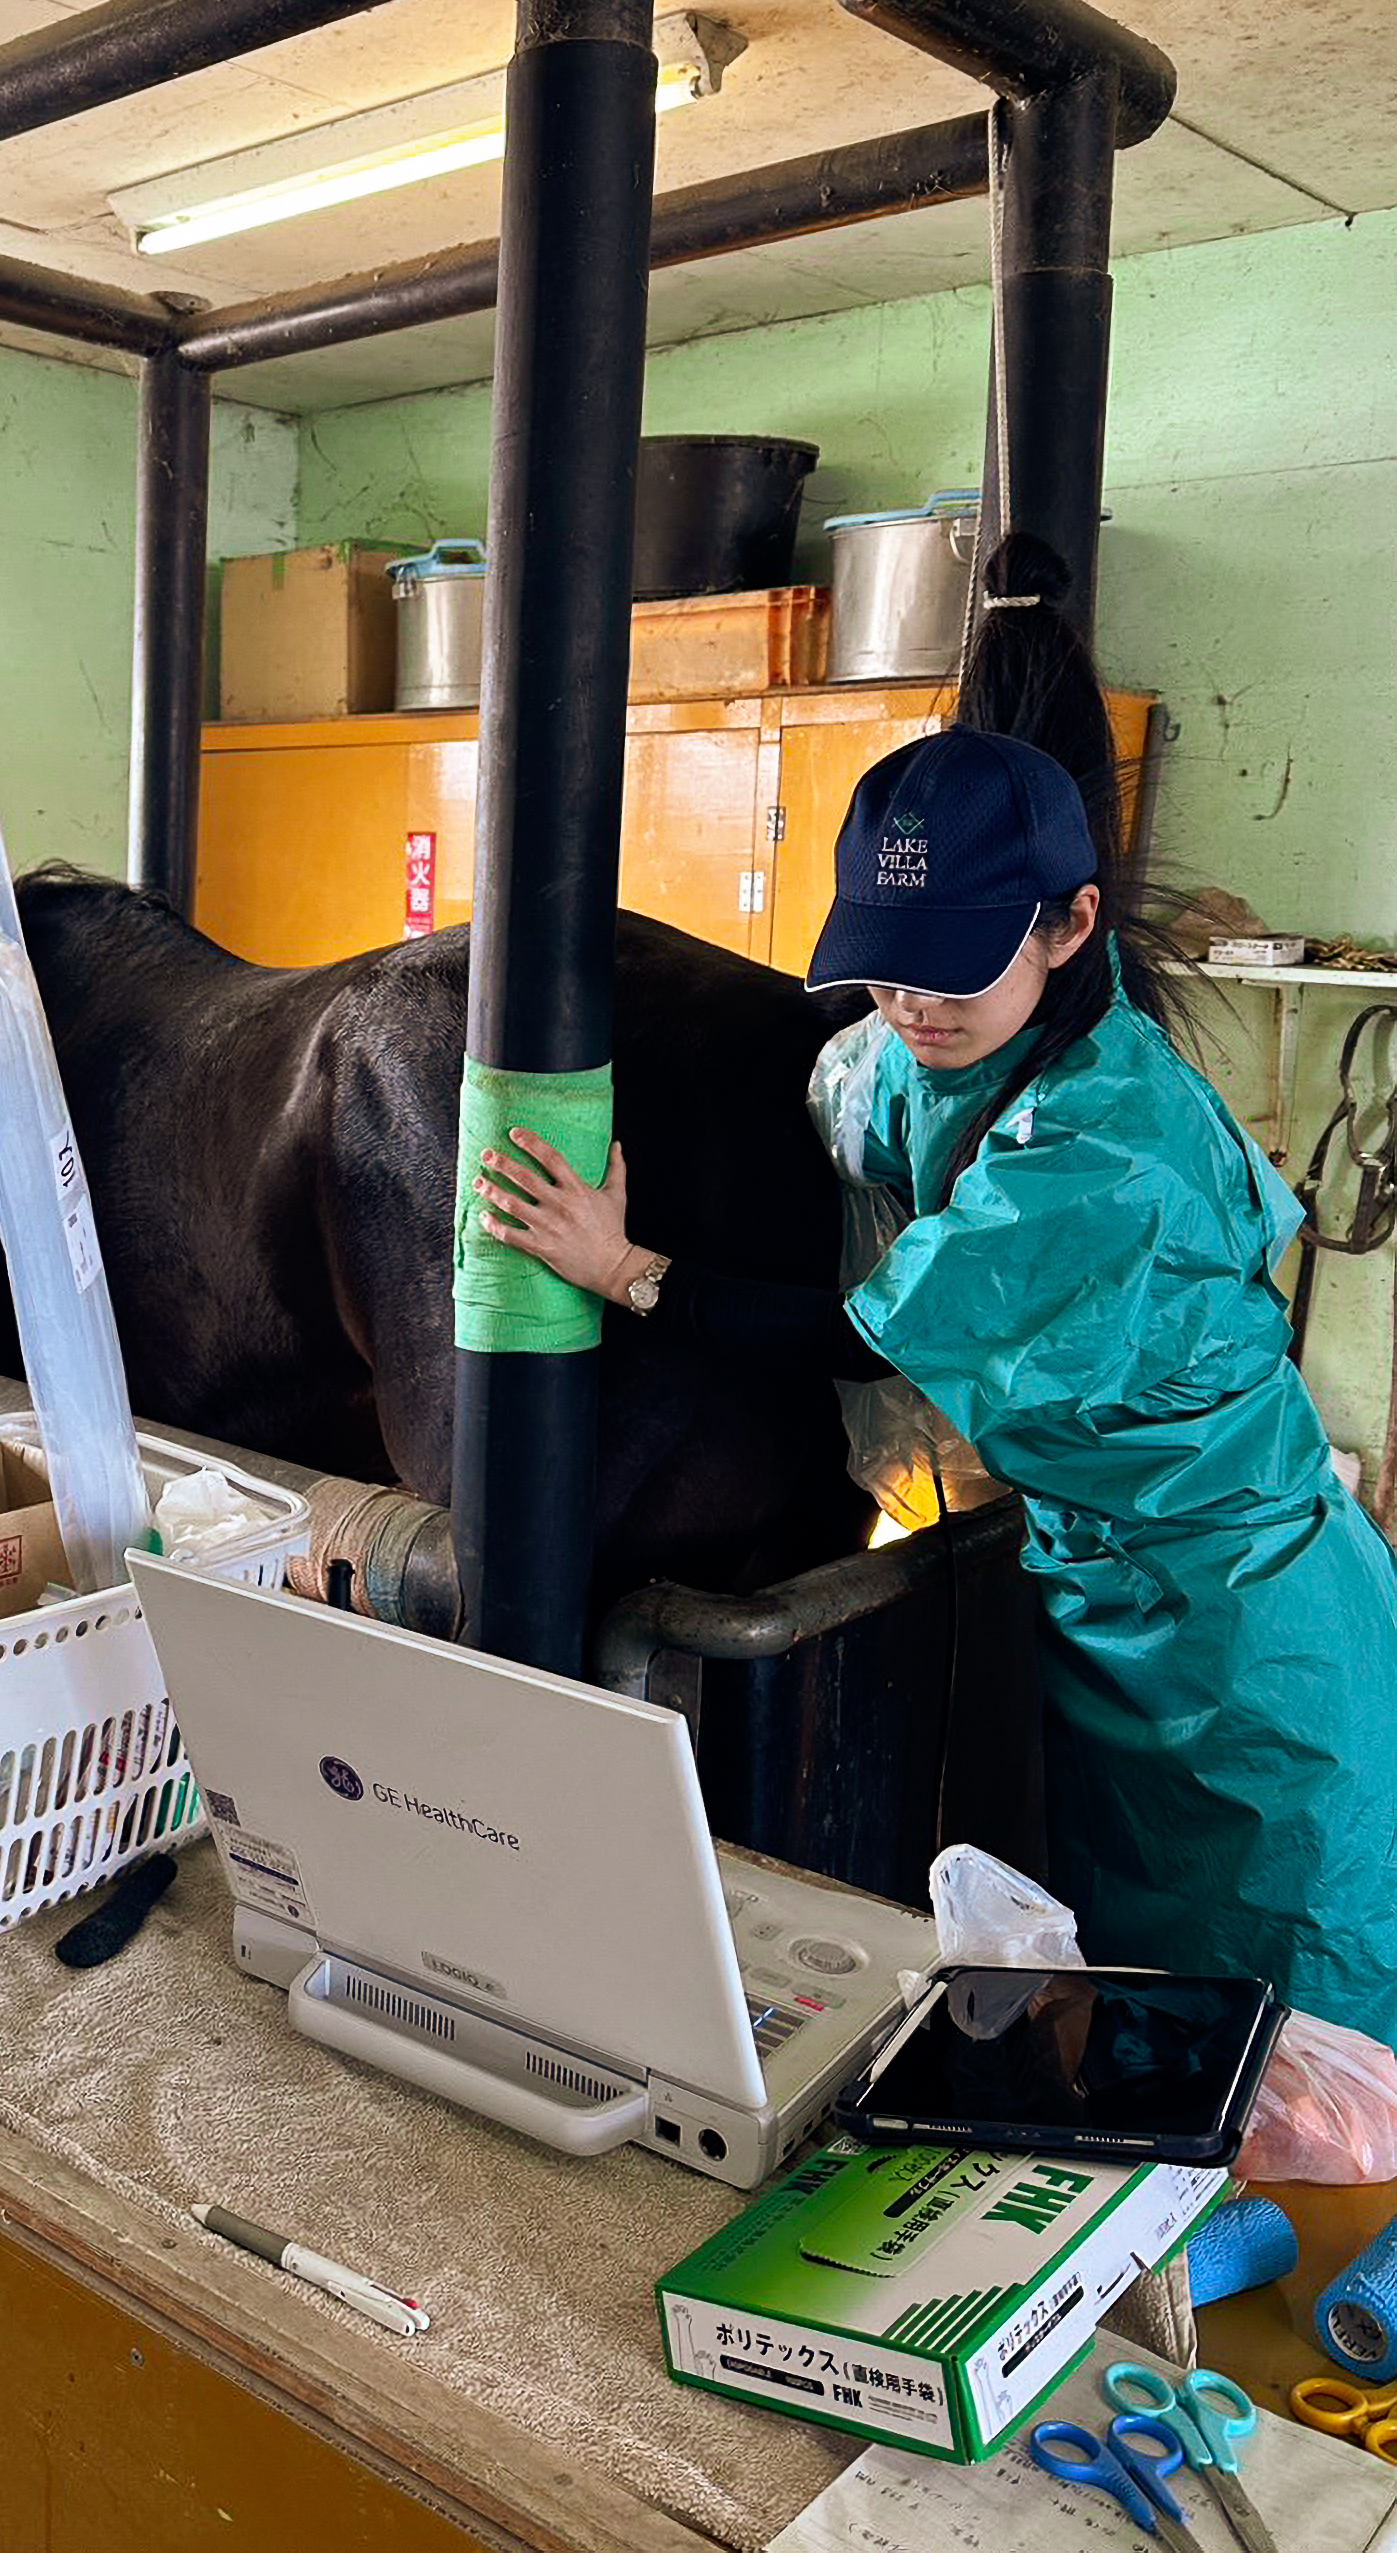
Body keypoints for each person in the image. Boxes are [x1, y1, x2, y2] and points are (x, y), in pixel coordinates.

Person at [473, 719, 1397, 2041]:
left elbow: (861, 1334)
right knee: (1150, 1997)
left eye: (952, 973)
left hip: (1249, 1633)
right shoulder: (941, 1046)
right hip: (1104, 1585)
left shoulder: (1104, 1145)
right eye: (886, 971)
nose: (913, 1006)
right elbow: (862, 1080)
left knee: (1303, 2019)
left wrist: (626, 1267)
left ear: (1073, 926)